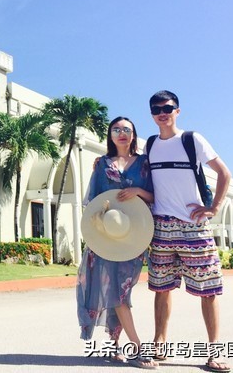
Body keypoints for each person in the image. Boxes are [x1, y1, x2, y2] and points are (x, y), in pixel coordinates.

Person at [146, 90, 232, 373]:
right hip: (162, 226)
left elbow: (224, 173)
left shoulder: (192, 140)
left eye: (168, 107)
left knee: (208, 290)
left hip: (194, 226)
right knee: (162, 289)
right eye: (156, 108)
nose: (162, 112)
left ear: (177, 111)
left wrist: (214, 207)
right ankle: (159, 344)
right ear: (152, 113)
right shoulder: (150, 145)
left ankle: (214, 352)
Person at [76, 116, 158, 369]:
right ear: (110, 135)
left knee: (121, 290)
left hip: (133, 237)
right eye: (116, 130)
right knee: (116, 293)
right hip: (105, 238)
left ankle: (114, 344)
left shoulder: (146, 163)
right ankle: (136, 347)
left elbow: (156, 196)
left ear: (134, 135)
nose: (122, 133)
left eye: (127, 129)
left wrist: (139, 192)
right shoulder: (102, 164)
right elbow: (94, 200)